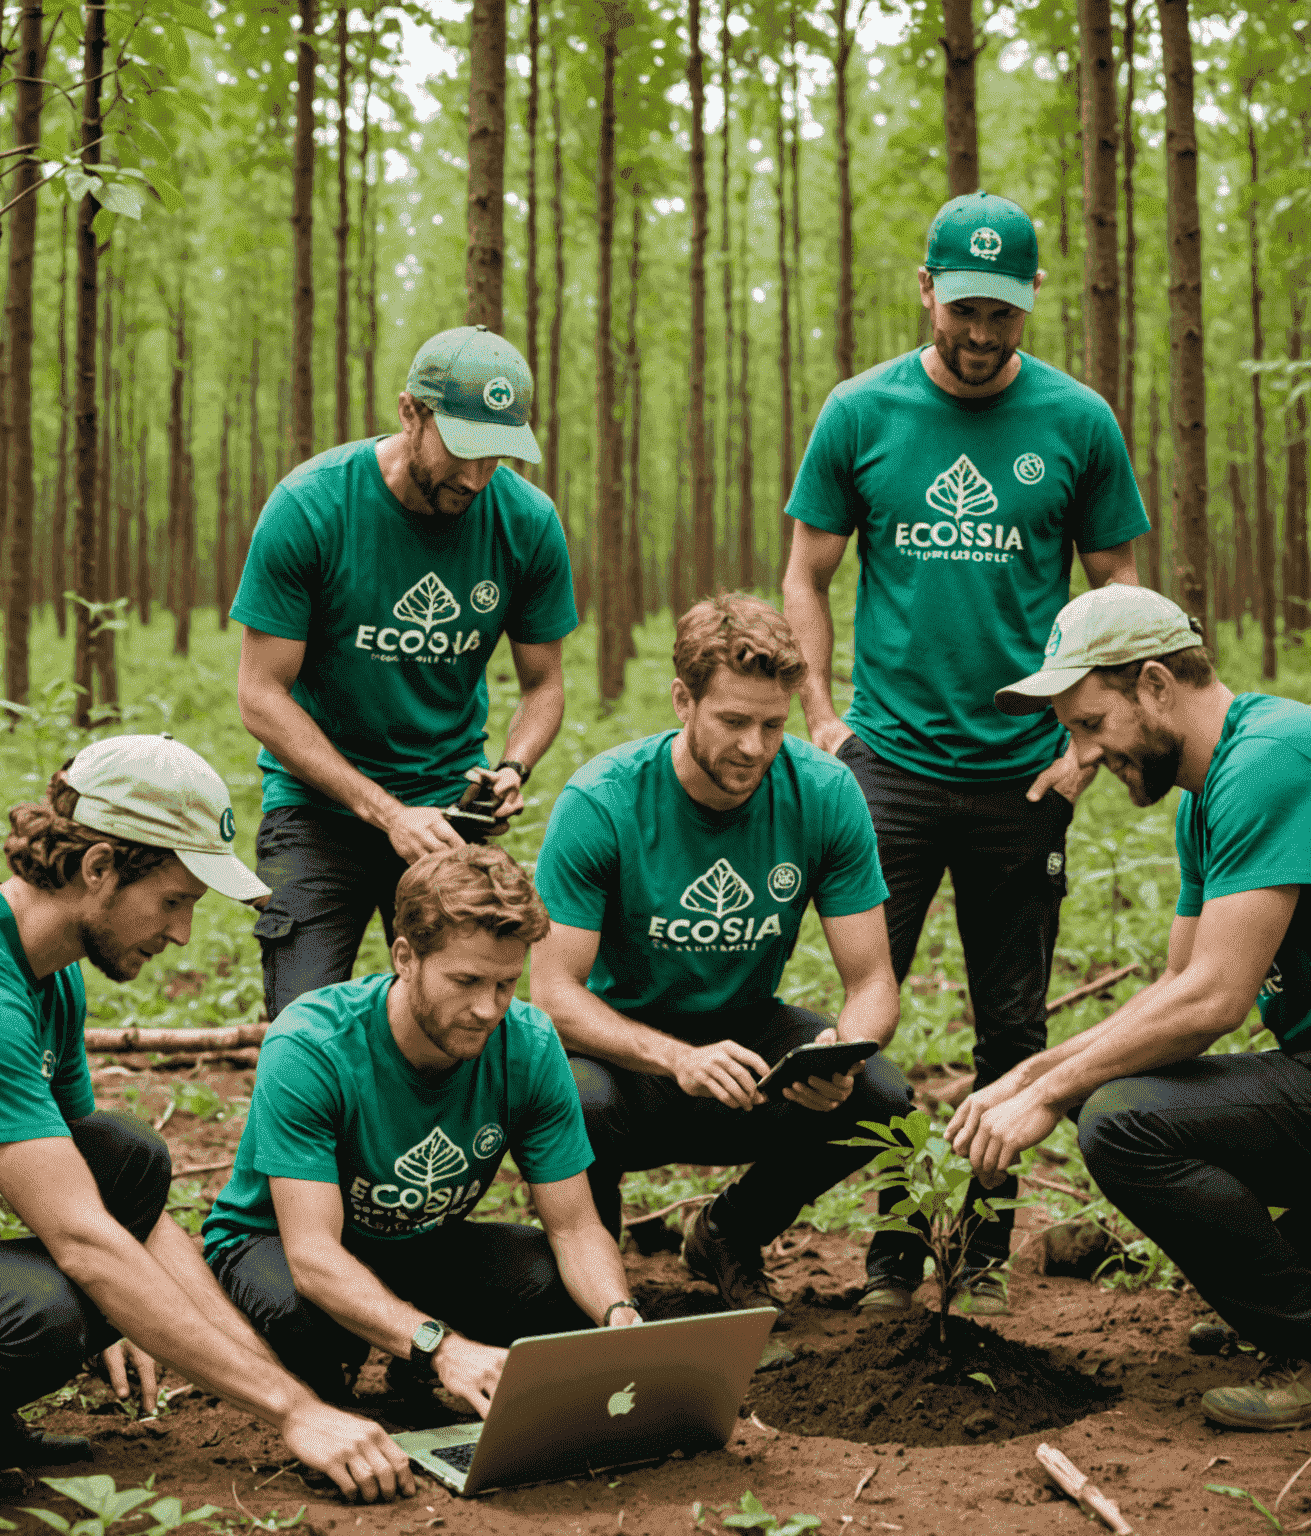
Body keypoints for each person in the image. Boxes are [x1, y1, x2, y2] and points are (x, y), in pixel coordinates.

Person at [0, 736, 416, 1534]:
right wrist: (289, 1410)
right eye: (175, 900)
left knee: (126, 1157)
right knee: (41, 1312)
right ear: (99, 867)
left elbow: (120, 1206)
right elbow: (82, 1240)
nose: (182, 932)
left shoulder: (46, 973)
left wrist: (276, 1379)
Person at [780, 190, 1152, 1314]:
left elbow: (1120, 590)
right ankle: (893, 1258)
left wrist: (1085, 750)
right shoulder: (860, 412)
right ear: (928, 290)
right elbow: (807, 571)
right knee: (865, 1016)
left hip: (1022, 769)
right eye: (967, 309)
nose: (985, 336)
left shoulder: (1078, 420)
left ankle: (977, 1260)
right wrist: (820, 717)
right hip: (886, 766)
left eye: (1007, 314)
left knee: (1013, 1027)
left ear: (1030, 306)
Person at [949, 584, 1311, 1429]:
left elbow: (1216, 1001)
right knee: (1115, 1092)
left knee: (1123, 1120)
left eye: (1088, 723)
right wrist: (1034, 1072)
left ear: (1154, 685)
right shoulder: (1208, 793)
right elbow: (1177, 988)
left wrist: (1052, 1094)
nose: (1079, 753)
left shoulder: (1272, 760)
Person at [527, 594, 912, 1317]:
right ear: (682, 700)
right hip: (622, 1055)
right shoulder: (604, 801)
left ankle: (731, 1232)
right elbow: (552, 994)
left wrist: (844, 1050)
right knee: (572, 1098)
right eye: (733, 721)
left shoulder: (825, 794)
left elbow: (873, 982)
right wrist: (676, 1059)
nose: (754, 747)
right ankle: (593, 1290)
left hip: (750, 1043)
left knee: (882, 1096)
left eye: (773, 724)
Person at [202, 844, 642, 1418]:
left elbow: (576, 1226)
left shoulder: (528, 1045)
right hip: (279, 1244)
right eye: (466, 980)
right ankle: (355, 1371)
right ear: (406, 957)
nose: (488, 1009)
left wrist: (620, 1317)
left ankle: (400, 1349)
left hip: (417, 1245)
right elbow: (312, 1255)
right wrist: (442, 1347)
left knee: (561, 1292)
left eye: (506, 985)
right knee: (304, 1320)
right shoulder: (312, 1046)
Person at [233, 324, 577, 1020]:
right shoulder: (313, 506)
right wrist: (385, 811)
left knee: (458, 1018)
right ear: (410, 413)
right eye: (463, 450)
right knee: (302, 1025)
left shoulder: (528, 523)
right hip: (316, 808)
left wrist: (513, 767)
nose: (478, 477)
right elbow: (260, 694)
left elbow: (544, 685)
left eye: (497, 455)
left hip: (447, 812)